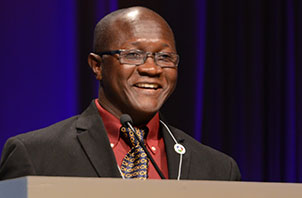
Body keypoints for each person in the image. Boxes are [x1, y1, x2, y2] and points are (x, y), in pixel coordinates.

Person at [0, 6, 241, 181]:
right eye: (133, 55)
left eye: (165, 57)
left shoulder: (218, 169)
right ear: (97, 66)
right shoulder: (36, 156)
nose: (152, 68)